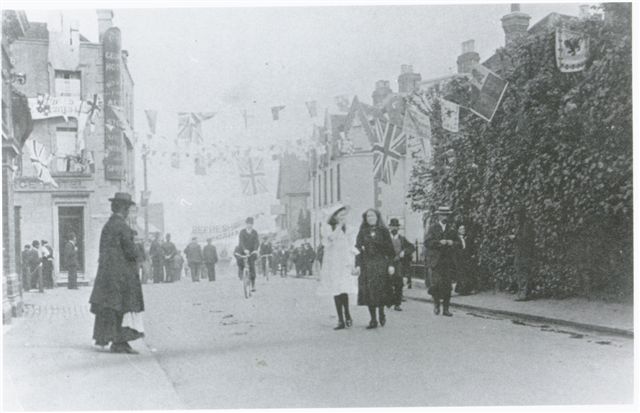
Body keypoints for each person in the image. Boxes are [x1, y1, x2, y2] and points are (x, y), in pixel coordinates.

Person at [89, 192, 144, 354]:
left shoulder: (108, 225)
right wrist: (138, 249)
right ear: (124, 209)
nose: (128, 212)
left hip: (107, 275)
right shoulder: (122, 227)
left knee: (111, 309)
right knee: (123, 307)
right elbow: (131, 252)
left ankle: (114, 340)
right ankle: (120, 343)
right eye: (127, 208)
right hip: (121, 276)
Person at [317, 203, 358, 330]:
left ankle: (347, 314)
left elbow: (352, 246)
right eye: (340, 215)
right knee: (336, 289)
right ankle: (340, 319)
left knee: (344, 288)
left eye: (344, 215)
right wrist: (339, 226)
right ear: (334, 216)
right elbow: (331, 240)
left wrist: (353, 264)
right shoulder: (327, 228)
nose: (343, 217)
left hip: (344, 262)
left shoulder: (349, 229)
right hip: (333, 262)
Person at [355, 209, 395, 329]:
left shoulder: (384, 231)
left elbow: (390, 250)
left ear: (377, 217)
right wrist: (358, 265)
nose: (370, 218)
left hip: (381, 264)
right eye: (368, 216)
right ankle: (373, 319)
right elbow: (357, 250)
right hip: (367, 264)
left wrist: (391, 265)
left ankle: (381, 313)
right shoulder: (362, 232)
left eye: (372, 215)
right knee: (369, 292)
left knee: (380, 290)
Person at [425, 206, 459, 317]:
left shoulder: (452, 229)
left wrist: (451, 243)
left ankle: (446, 309)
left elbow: (459, 243)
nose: (445, 217)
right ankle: (436, 304)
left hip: (447, 261)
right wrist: (439, 242)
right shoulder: (433, 228)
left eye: (447, 215)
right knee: (436, 284)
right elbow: (427, 242)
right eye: (443, 215)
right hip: (436, 261)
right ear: (439, 215)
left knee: (447, 285)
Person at [388, 219, 415, 311]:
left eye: (396, 226)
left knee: (398, 284)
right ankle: (389, 300)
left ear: (398, 228)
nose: (394, 228)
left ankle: (397, 304)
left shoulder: (402, 239)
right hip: (388, 264)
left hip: (399, 264)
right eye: (392, 226)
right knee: (388, 283)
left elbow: (412, 247)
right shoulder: (386, 238)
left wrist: (404, 251)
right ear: (390, 227)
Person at [513, 208, 535, 301]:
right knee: (520, 271)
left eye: (517, 214)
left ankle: (524, 294)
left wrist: (515, 238)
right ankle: (523, 292)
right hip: (520, 252)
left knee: (523, 272)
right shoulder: (520, 225)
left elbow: (525, 239)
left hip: (524, 253)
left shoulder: (526, 225)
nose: (515, 217)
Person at [238, 217, 259, 291]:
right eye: (248, 224)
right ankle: (241, 274)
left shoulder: (255, 232)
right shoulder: (242, 232)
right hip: (243, 251)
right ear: (246, 224)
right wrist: (244, 249)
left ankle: (253, 284)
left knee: (252, 267)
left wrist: (255, 250)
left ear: (252, 224)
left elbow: (257, 242)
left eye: (251, 224)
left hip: (252, 252)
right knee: (240, 261)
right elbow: (241, 242)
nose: (249, 225)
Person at [454, 224, 475, 295]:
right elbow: (455, 248)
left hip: (466, 257)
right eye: (461, 229)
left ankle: (466, 289)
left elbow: (470, 247)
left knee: (467, 273)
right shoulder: (456, 238)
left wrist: (472, 254)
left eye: (464, 229)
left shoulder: (467, 238)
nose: (463, 230)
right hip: (459, 258)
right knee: (461, 273)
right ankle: (462, 290)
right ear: (458, 230)